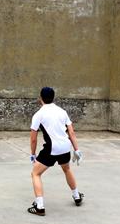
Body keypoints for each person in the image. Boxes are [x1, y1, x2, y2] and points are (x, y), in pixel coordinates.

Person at [27, 87, 83, 216]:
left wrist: (33, 154)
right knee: (67, 169)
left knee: (35, 173)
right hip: (65, 147)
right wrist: (77, 149)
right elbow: (71, 132)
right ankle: (77, 196)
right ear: (53, 97)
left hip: (52, 148)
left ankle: (39, 206)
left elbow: (33, 139)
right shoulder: (62, 112)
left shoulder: (38, 114)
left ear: (40, 98)